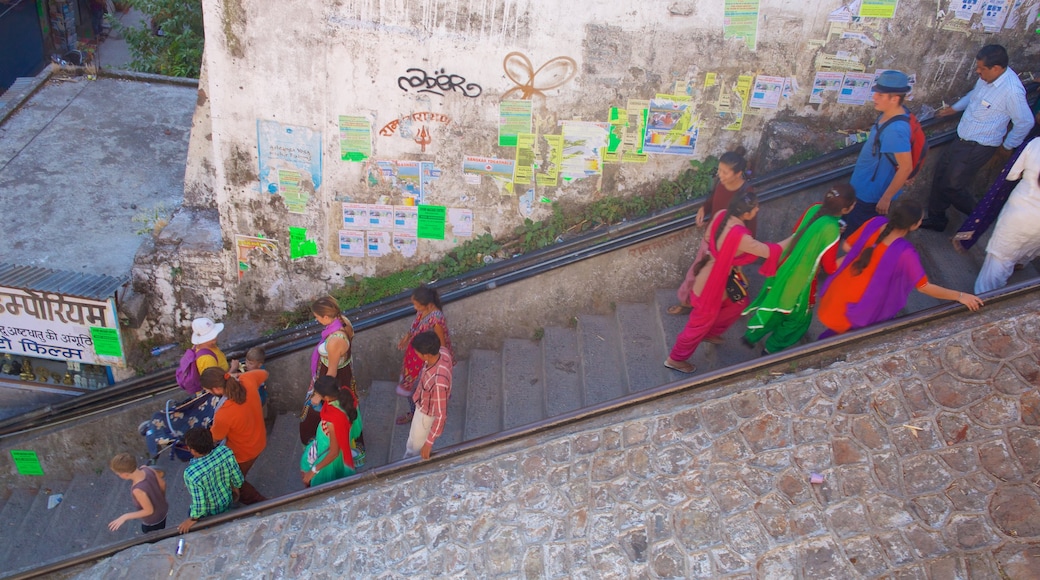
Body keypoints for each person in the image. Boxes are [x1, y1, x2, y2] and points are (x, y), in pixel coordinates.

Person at [817, 200, 984, 337]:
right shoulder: (905, 252)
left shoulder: (875, 222)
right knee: (844, 336)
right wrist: (960, 296)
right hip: (862, 303)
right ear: (913, 225)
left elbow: (847, 246)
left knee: (833, 332)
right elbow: (924, 287)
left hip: (842, 287)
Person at [664, 192, 786, 373]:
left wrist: (724, 259)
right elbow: (769, 251)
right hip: (710, 286)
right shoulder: (741, 237)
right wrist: (799, 236)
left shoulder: (721, 215)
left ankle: (711, 333)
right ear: (746, 214)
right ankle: (675, 359)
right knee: (697, 326)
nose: (758, 209)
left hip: (715, 274)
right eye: (755, 207)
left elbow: (707, 239)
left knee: (738, 304)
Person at [921, 44, 1035, 232]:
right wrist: (955, 108)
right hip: (963, 136)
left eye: (982, 68)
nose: (977, 71)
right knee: (941, 174)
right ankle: (937, 218)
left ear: (996, 68)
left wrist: (1008, 146)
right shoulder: (986, 79)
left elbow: (1025, 121)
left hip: (979, 145)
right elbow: (975, 95)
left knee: (953, 185)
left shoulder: (1012, 91)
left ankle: (979, 218)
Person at [744, 185, 858, 354]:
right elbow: (830, 267)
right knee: (797, 320)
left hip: (784, 264)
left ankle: (751, 336)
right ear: (846, 209)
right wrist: (852, 256)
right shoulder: (832, 230)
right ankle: (770, 349)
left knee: (775, 300)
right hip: (801, 280)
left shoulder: (814, 208)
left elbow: (796, 230)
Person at [671, 148, 758, 315]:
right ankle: (686, 302)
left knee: (719, 281)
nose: (720, 175)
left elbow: (751, 225)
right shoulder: (721, 184)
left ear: (738, 173)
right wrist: (704, 208)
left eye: (725, 172)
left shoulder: (746, 194)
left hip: (727, 246)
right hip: (710, 238)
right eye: (719, 170)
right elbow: (713, 200)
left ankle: (716, 311)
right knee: (695, 272)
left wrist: (742, 254)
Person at [844, 70, 914, 235]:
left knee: (853, 241)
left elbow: (906, 167)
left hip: (870, 196)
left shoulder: (896, 130)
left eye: (880, 94)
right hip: (861, 188)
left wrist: (886, 198)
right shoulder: (888, 115)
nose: (874, 97)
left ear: (894, 98)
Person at [302, 297, 363, 466]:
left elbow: (332, 371)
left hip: (333, 377)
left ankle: (329, 444)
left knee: (322, 411)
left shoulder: (335, 340)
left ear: (326, 318)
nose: (317, 320)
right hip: (344, 372)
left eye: (317, 317)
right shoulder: (343, 321)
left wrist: (319, 393)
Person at [974, 136, 1040, 293]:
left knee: (1000, 258)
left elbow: (1012, 174)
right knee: (1032, 244)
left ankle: (985, 297)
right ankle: (1020, 262)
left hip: (1019, 212)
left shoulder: (1036, 144)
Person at [201, 367, 267, 505]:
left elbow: (215, 438)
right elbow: (264, 374)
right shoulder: (247, 380)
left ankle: (260, 503)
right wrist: (235, 376)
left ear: (217, 389)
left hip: (242, 453)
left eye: (208, 390)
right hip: (259, 440)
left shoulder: (223, 414)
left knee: (234, 480)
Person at [395, 285, 454, 425]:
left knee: (419, 390)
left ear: (428, 304)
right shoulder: (424, 311)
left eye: (416, 305)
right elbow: (415, 326)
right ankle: (415, 412)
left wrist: (435, 367)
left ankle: (422, 416)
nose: (415, 308)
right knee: (411, 388)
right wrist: (406, 338)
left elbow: (441, 345)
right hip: (415, 357)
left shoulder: (437, 320)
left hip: (423, 362)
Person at [178, 427, 243, 534]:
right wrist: (236, 489)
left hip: (209, 512)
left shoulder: (191, 474)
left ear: (193, 450)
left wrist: (192, 519)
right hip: (227, 500)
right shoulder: (225, 452)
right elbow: (237, 478)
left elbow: (200, 504)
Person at [301, 376, 362, 486]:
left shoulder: (333, 420)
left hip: (328, 453)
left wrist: (313, 471)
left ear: (327, 398)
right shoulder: (346, 393)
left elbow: (334, 452)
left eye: (318, 394)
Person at [404, 331, 453, 461]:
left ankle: (405, 467)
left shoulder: (438, 382)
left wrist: (429, 443)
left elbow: (441, 415)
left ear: (426, 355)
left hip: (425, 415)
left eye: (417, 352)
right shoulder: (442, 352)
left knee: (413, 449)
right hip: (424, 402)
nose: (416, 354)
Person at [107, 453, 168, 534]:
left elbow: (149, 511)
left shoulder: (137, 490)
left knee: (153, 536)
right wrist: (160, 498)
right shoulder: (148, 469)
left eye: (118, 474)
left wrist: (125, 516)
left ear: (125, 474)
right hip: (163, 509)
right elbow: (163, 484)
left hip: (153, 520)